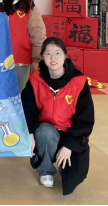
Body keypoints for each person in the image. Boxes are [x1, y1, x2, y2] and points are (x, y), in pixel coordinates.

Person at [21, 37, 95, 195]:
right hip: (45, 132)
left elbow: (85, 119)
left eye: (57, 53)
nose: (53, 58)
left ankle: (63, 163)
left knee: (74, 176)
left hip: (71, 134)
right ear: (42, 57)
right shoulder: (35, 80)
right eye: (48, 53)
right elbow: (28, 110)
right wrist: (30, 134)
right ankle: (46, 170)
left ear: (65, 55)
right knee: (44, 132)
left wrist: (69, 146)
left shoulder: (79, 82)